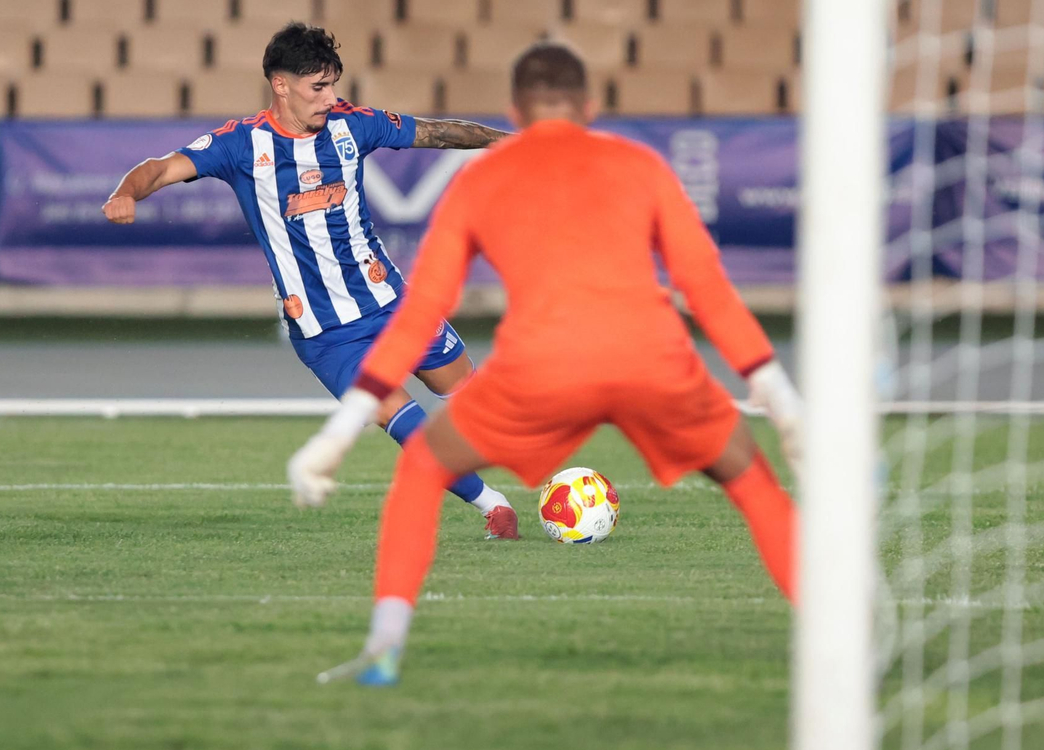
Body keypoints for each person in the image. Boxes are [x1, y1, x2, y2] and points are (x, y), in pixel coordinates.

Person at [288, 40, 803, 685]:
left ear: (514, 110)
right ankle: (836, 637)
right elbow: (706, 289)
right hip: (653, 360)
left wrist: (338, 433)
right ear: (591, 107)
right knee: (753, 482)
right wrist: (783, 402)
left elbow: (419, 317)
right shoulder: (640, 164)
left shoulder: (481, 180)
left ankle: (385, 646)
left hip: (541, 368)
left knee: (423, 467)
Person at [104, 22, 519, 537]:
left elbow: (438, 132)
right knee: (397, 413)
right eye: (317, 88)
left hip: (391, 301)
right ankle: (494, 507)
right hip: (326, 333)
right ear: (281, 85)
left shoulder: (355, 125)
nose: (330, 98)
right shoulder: (240, 145)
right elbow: (159, 169)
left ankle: (542, 477)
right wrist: (126, 192)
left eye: (333, 85)